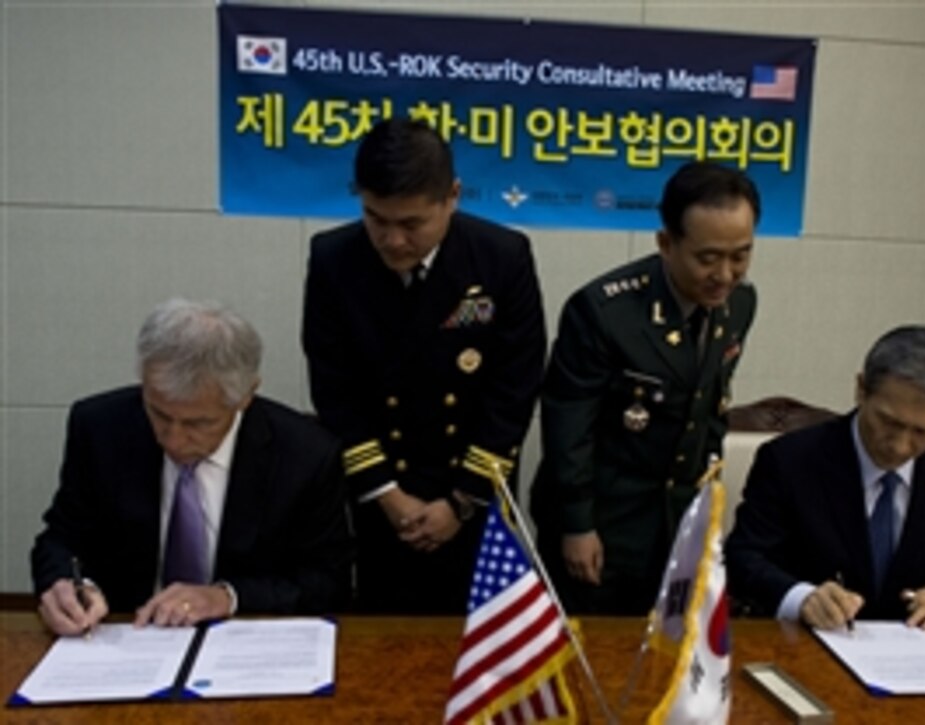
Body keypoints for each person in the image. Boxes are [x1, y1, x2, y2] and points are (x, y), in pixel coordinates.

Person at [302, 118, 546, 613]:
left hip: (473, 494)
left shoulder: (501, 257)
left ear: (451, 196)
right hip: (381, 498)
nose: (392, 240)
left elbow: (513, 391)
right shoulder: (334, 259)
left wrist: (461, 501)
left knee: (484, 647)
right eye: (376, 218)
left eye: (411, 224)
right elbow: (335, 391)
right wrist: (390, 496)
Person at [32, 299, 351, 636]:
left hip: (242, 643)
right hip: (125, 637)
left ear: (245, 396)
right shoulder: (100, 428)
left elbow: (328, 582)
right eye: (159, 414)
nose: (173, 439)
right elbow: (61, 539)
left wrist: (227, 597)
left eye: (198, 423)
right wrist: (64, 584)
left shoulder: (306, 455)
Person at [530, 161, 760, 614]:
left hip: (675, 525)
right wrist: (577, 527)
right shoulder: (604, 312)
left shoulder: (740, 305)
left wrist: (704, 517)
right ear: (666, 243)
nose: (726, 275)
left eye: (741, 255)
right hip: (604, 523)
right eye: (708, 258)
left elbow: (710, 406)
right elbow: (568, 429)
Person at [726, 325, 925, 632]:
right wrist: (802, 599)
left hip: (917, 646)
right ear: (861, 389)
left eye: (923, 432)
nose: (899, 445)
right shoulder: (790, 459)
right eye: (888, 421)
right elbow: (744, 556)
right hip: (811, 641)